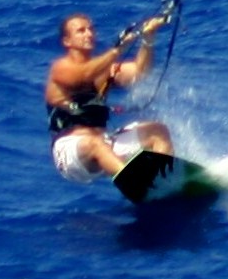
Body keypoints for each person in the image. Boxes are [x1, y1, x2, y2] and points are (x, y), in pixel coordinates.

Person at [44, 10, 174, 182]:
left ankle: (164, 179)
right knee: (95, 143)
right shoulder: (60, 68)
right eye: (81, 31)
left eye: (91, 29)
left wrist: (148, 39)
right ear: (67, 41)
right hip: (70, 153)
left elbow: (140, 72)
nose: (89, 34)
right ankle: (136, 182)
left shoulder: (104, 70)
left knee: (157, 131)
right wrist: (117, 50)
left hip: (104, 146)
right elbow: (83, 75)